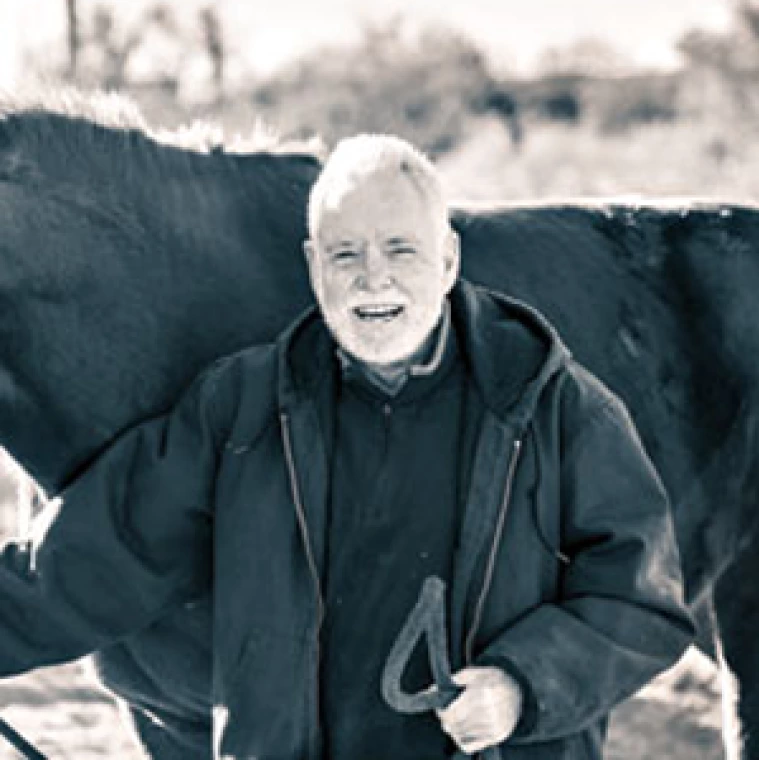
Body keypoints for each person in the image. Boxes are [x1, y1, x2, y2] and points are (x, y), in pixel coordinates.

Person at [0, 134, 694, 760]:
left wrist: (523, 684)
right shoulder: (237, 407)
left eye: (400, 249)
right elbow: (95, 554)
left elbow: (641, 601)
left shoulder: (554, 407)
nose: (373, 279)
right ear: (313, 266)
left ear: (448, 259)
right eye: (345, 254)